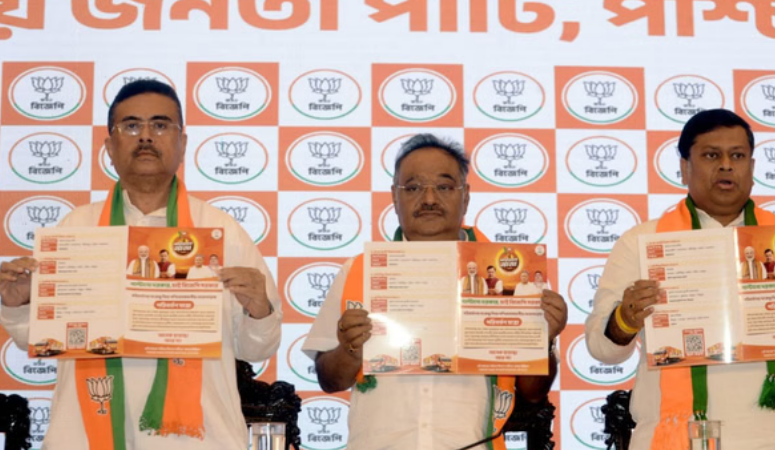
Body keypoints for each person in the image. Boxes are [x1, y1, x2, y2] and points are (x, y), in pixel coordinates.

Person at [0, 80, 282, 450]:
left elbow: (257, 349)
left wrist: (259, 309)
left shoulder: (222, 231)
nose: (146, 136)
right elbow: (37, 338)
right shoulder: (75, 228)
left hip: (199, 440)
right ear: (109, 147)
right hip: (83, 436)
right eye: (131, 125)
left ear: (182, 143)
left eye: (160, 125)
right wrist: (17, 304)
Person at [584, 109, 775, 450]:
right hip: (675, 440)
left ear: (752, 167)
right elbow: (602, 349)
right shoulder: (642, 241)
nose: (726, 166)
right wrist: (625, 319)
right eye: (712, 155)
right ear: (684, 167)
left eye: (737, 156)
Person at [303, 133, 567, 450]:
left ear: (465, 196)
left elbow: (533, 393)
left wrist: (544, 339)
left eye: (444, 187)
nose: (429, 199)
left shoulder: (509, 275)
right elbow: (330, 380)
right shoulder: (358, 271)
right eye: (413, 187)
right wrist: (350, 349)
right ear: (394, 197)